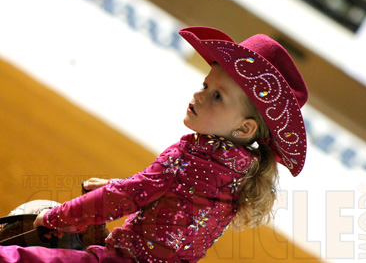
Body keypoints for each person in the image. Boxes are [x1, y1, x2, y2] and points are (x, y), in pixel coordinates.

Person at [0, 26, 308, 263]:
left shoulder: (185, 158)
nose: (199, 95)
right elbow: (174, 207)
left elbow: (125, 196)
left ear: (244, 127)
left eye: (217, 96)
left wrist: (58, 218)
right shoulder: (237, 179)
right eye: (205, 85)